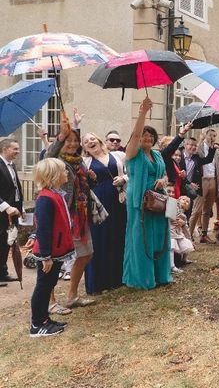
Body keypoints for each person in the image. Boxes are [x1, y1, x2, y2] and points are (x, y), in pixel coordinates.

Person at [46, 109, 96, 308]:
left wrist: (91, 177)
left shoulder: (79, 161)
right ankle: (49, 301)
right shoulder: (56, 161)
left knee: (86, 254)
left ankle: (72, 296)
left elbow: (83, 185)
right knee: (56, 259)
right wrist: (62, 135)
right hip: (62, 214)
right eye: (69, 141)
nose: (73, 144)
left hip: (80, 214)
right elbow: (49, 153)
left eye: (76, 141)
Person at [123, 97, 171, 289]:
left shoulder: (158, 155)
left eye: (151, 136)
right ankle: (142, 278)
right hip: (139, 201)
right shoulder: (133, 153)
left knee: (159, 236)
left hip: (158, 200)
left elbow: (166, 175)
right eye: (145, 135)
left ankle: (160, 275)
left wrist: (163, 180)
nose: (148, 138)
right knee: (141, 238)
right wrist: (142, 112)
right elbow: (134, 137)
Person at [30, 158, 75, 337]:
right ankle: (37, 324)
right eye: (64, 171)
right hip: (48, 252)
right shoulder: (45, 198)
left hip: (55, 250)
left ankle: (44, 319)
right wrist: (46, 255)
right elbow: (43, 227)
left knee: (49, 284)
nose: (67, 174)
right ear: (54, 175)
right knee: (43, 286)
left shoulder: (56, 194)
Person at [81, 132, 127, 295]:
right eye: (86, 142)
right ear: (85, 147)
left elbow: (131, 171)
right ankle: (97, 283)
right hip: (97, 204)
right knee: (98, 240)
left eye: (92, 138)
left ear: (99, 140)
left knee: (117, 237)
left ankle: (116, 279)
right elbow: (81, 183)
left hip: (118, 201)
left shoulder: (118, 155)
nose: (90, 142)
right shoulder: (85, 162)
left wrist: (124, 179)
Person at [181, 135, 216, 243]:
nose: (193, 147)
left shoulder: (196, 158)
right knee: (182, 213)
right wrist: (189, 183)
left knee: (193, 212)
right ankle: (184, 237)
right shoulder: (179, 157)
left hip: (194, 189)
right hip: (181, 188)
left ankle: (188, 236)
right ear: (185, 145)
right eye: (190, 145)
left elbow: (209, 159)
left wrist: (212, 146)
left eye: (194, 146)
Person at [0, 138, 24, 283]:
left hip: (13, 211)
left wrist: (20, 208)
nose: (18, 151)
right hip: (3, 210)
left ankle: (2, 273)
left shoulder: (11, 165)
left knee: (7, 242)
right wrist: (6, 207)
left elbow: (16, 188)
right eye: (15, 149)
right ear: (4, 149)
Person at [166, 185, 194, 274]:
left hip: (178, 233)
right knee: (172, 245)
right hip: (171, 232)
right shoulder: (171, 204)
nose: (171, 194)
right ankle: (172, 266)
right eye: (168, 191)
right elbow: (170, 217)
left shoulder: (183, 214)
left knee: (186, 244)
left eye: (173, 192)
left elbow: (186, 228)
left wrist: (183, 223)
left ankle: (184, 259)